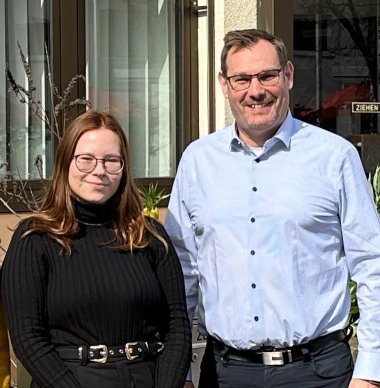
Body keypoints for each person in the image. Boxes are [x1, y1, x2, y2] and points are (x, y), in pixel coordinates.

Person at [164, 28, 380, 388]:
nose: (256, 90)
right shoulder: (197, 162)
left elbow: (372, 265)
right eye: (242, 79)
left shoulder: (334, 157)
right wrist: (180, 372)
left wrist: (371, 371)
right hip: (226, 374)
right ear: (224, 84)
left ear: (289, 75)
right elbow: (180, 276)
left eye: (267, 75)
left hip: (319, 373)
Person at [1, 110, 192, 388]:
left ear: (124, 168)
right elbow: (28, 338)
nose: (99, 170)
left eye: (111, 160)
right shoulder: (35, 238)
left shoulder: (149, 236)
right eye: (86, 159)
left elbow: (178, 327)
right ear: (66, 162)